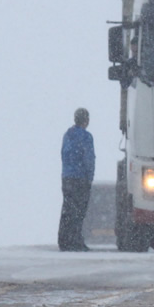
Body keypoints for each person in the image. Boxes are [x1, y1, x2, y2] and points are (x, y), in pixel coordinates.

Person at [58, 107, 95, 251]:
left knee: (67, 209)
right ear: (86, 120)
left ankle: (63, 240)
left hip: (67, 177)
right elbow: (89, 159)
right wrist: (89, 177)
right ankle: (76, 241)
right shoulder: (86, 137)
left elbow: (63, 154)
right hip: (81, 179)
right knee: (79, 211)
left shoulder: (67, 135)